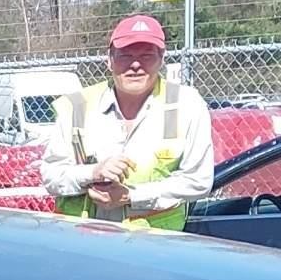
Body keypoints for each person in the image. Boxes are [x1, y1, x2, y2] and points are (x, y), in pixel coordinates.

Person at [39, 14, 214, 229]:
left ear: (161, 59)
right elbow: (51, 176)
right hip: (82, 243)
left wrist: (131, 196)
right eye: (125, 55)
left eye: (147, 55)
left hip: (154, 248)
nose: (136, 65)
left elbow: (198, 181)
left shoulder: (187, 105)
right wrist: (92, 173)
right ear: (109, 60)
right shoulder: (77, 106)